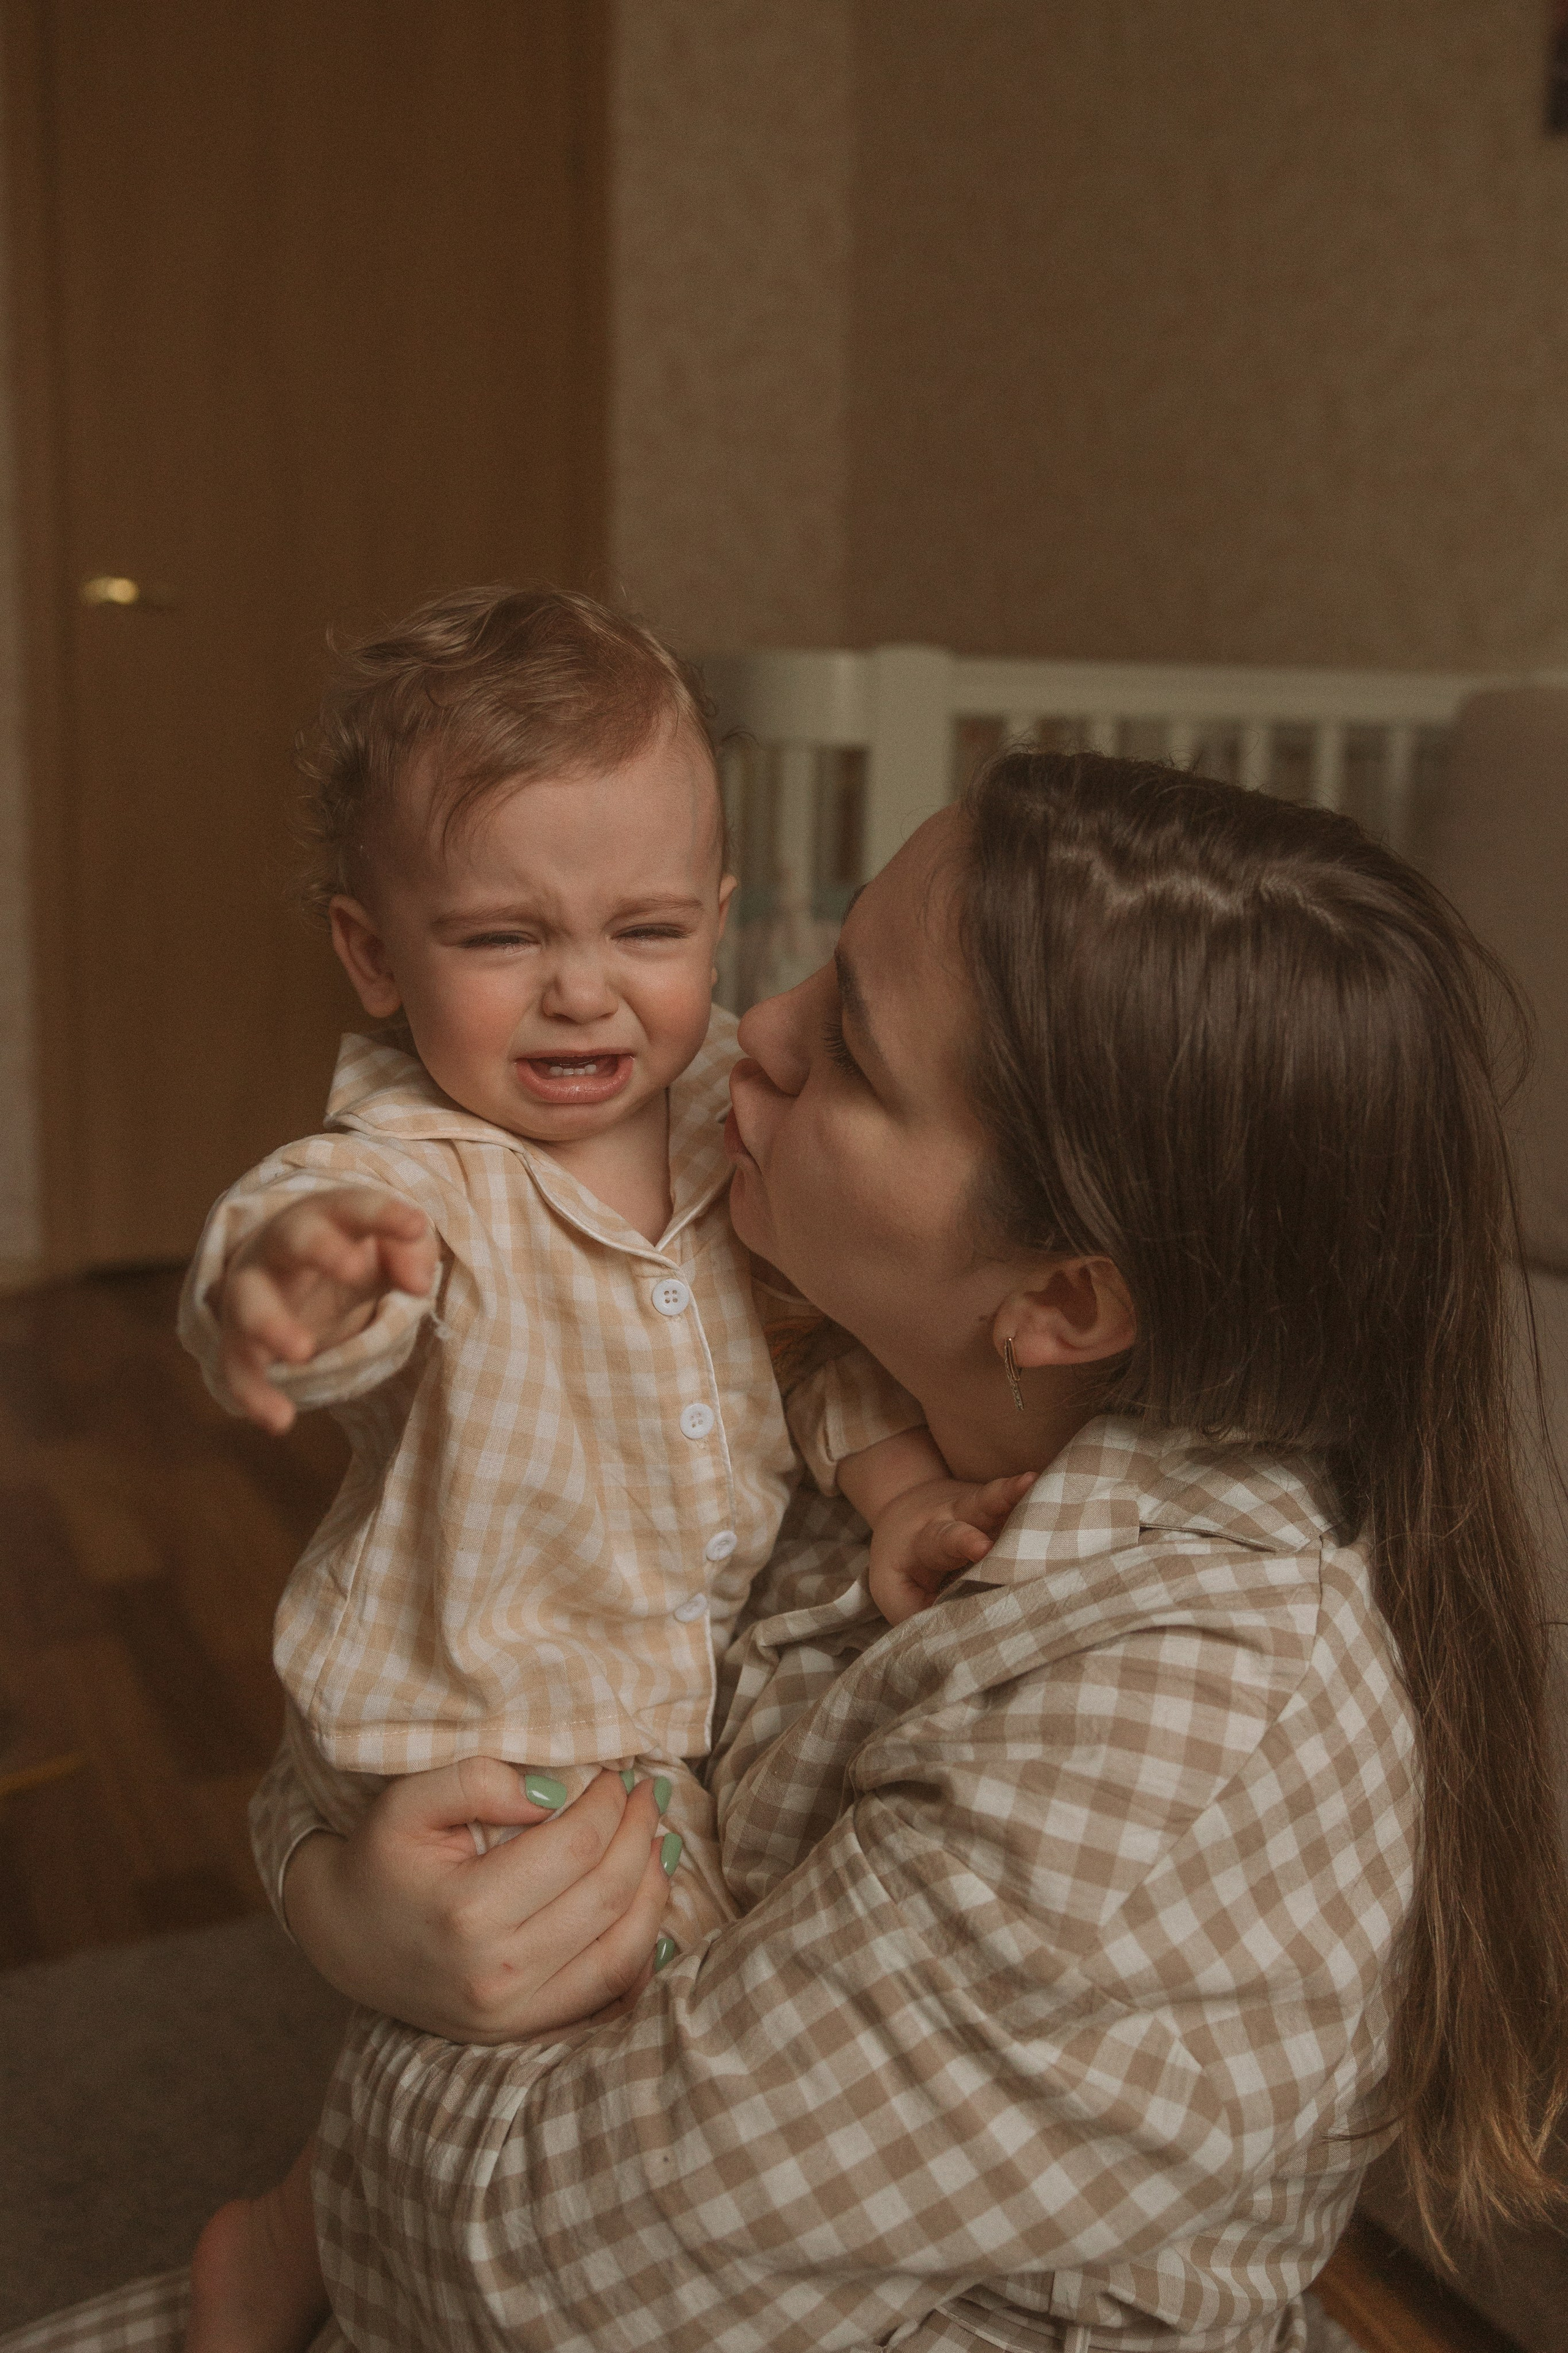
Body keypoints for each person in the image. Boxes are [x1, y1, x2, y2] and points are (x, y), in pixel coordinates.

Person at [10, 750, 1567, 2353]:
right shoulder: (844, 1397)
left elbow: (547, 2272)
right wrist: (332, 1892)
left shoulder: (1161, 1733)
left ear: (1064, 1300)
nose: (759, 1025)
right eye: (823, 949)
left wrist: (394, 2012)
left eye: (857, 1057)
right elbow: (424, 1646)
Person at [169, 587, 1023, 2353]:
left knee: (579, 2020)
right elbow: (323, 1248)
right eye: (499, 937)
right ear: (374, 954)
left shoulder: (730, 1112)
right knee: (648, 2030)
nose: (583, 990)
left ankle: (288, 2237)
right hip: (481, 1705)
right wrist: (287, 1285)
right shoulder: (420, 1160)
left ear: (720, 915)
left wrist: (895, 1498)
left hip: (658, 1695)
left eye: (645, 926)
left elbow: (815, 1351)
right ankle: (362, 2256)